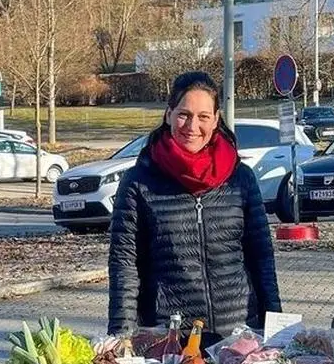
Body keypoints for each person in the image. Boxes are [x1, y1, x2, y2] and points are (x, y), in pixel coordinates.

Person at [108, 71, 282, 342]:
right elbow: (125, 265)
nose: (192, 126)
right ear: (168, 115)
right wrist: (121, 336)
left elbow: (261, 257)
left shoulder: (240, 178)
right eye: (184, 114)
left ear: (215, 120)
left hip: (238, 336)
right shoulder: (138, 182)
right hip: (169, 338)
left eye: (203, 116)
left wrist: (276, 329)